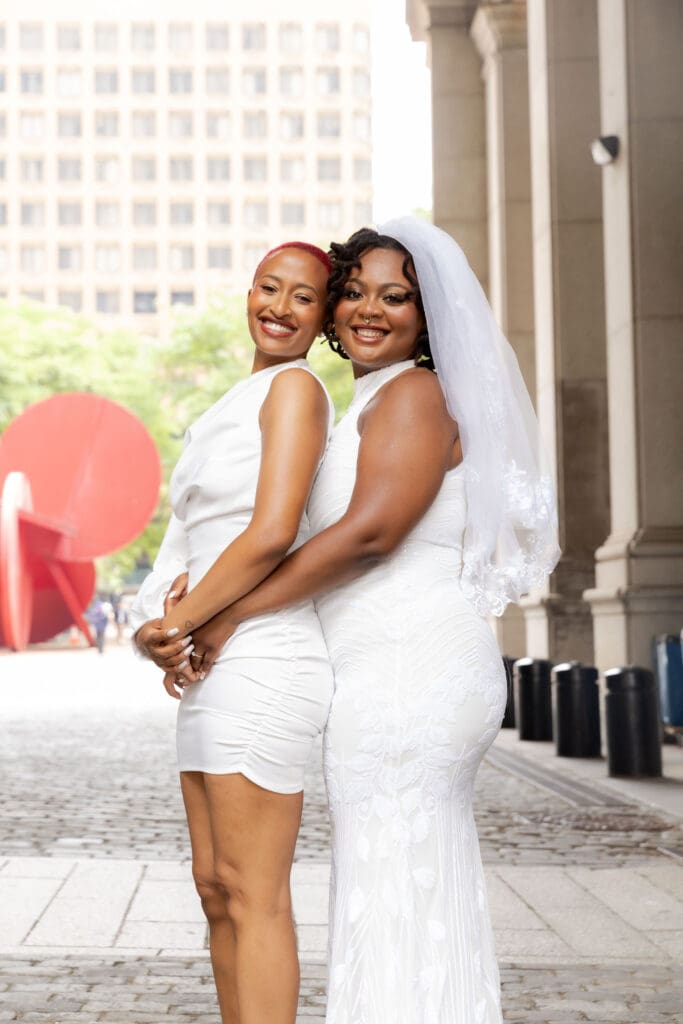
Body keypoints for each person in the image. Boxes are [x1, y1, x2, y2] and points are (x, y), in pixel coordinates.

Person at [166, 217, 560, 1023]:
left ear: (427, 316)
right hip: (382, 667)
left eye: (395, 297)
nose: (366, 311)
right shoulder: (371, 400)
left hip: (408, 672)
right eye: (353, 293)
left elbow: (372, 533)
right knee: (391, 889)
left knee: (395, 885)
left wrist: (228, 614)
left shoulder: (415, 392)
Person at [128, 242, 336, 1024]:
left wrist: (184, 622)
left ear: (323, 318)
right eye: (267, 288)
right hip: (214, 659)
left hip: (266, 656)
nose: (279, 307)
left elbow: (271, 531)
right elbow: (187, 535)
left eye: (302, 297)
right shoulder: (235, 399)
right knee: (214, 885)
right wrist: (156, 627)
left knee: (254, 892)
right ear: (247, 293)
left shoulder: (295, 388)